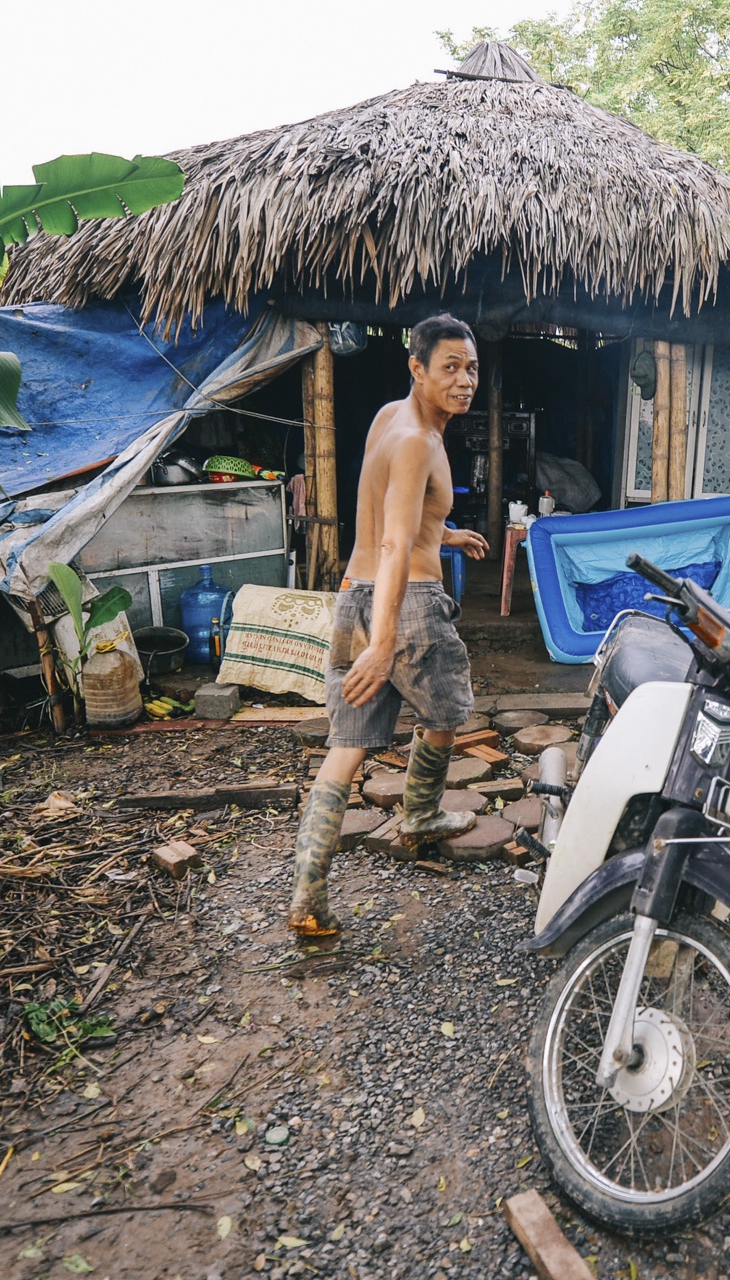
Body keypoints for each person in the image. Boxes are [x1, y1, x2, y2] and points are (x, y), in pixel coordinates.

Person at [287, 314, 490, 936]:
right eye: (450, 367)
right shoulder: (418, 442)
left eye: (472, 368)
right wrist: (384, 643)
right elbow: (398, 544)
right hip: (408, 607)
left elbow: (382, 517)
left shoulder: (387, 419)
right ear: (418, 368)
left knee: (346, 747)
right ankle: (422, 814)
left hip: (353, 595)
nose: (464, 381)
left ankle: (307, 895)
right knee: (447, 714)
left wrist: (444, 531)